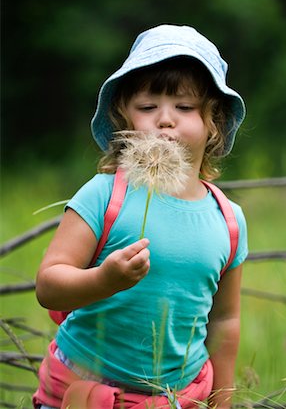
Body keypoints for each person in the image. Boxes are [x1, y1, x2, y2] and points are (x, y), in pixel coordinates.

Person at [33, 24, 248, 409]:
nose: (165, 120)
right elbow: (49, 285)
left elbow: (224, 322)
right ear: (124, 118)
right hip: (81, 391)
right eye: (148, 107)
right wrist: (103, 280)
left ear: (213, 120)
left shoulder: (227, 220)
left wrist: (223, 400)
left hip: (178, 398)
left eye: (185, 107)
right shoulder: (103, 195)